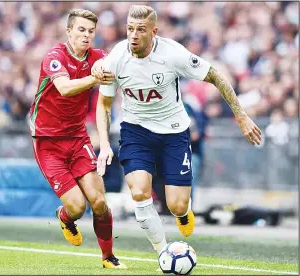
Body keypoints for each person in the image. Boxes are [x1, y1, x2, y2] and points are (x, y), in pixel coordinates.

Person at [92, 4, 262, 255]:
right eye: (129, 29)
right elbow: (104, 104)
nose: (133, 35)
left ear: (154, 32)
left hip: (174, 132)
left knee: (177, 205)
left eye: (140, 30)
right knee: (139, 191)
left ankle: (183, 213)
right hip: (135, 131)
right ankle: (163, 251)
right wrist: (105, 144)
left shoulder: (173, 54)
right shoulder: (116, 58)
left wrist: (242, 116)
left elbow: (215, 75)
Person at [29, 9, 126, 269]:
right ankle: (65, 217)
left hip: (77, 138)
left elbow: (116, 64)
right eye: (81, 30)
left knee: (100, 201)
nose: (86, 35)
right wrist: (95, 77)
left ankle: (108, 257)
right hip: (47, 142)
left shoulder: (97, 57)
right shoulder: (54, 57)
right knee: (77, 208)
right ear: (69, 31)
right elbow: (64, 88)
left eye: (90, 31)